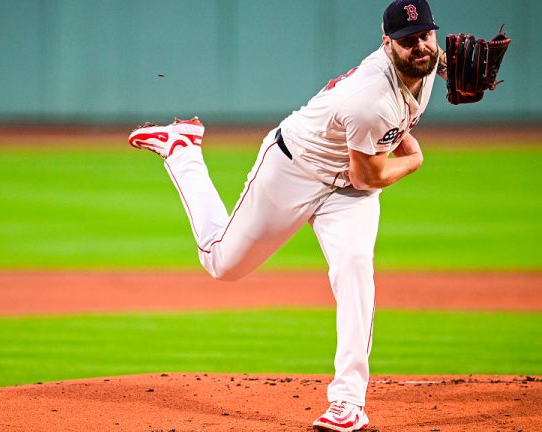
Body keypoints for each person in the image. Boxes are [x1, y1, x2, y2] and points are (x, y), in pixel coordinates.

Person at [128, 1, 442, 430]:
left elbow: (386, 134)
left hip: (346, 187)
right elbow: (369, 175)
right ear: (387, 44)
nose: (421, 47)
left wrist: (437, 79)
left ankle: (348, 402)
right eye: (408, 41)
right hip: (294, 169)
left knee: (354, 270)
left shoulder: (430, 63)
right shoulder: (369, 98)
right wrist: (414, 160)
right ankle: (182, 148)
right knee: (222, 264)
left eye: (426, 36)